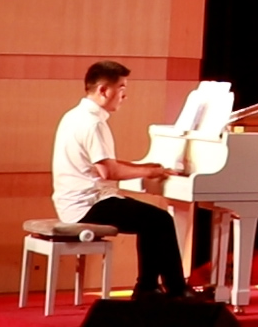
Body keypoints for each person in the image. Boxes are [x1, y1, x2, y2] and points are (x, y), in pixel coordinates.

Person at [50, 61, 190, 300]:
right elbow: (109, 172)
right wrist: (149, 172)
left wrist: (147, 168)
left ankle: (149, 287)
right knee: (160, 220)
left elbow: (103, 164)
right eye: (122, 87)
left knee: (152, 221)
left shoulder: (75, 115)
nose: (125, 95)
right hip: (88, 205)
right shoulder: (93, 123)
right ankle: (173, 290)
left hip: (76, 200)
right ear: (104, 90)